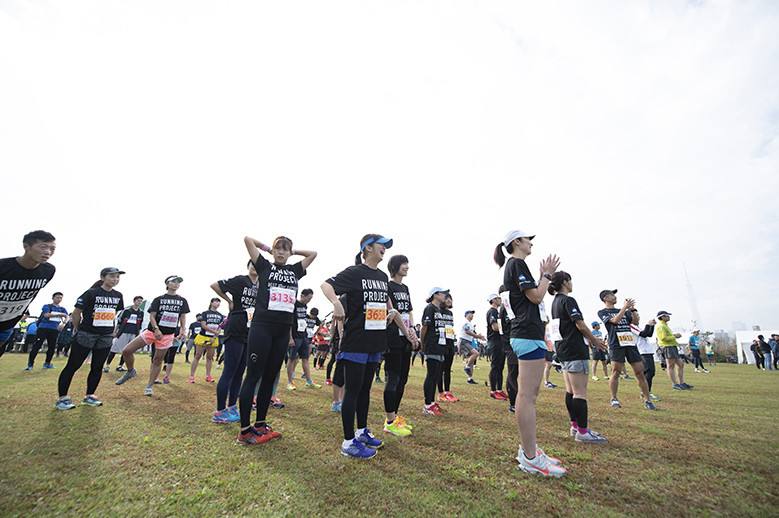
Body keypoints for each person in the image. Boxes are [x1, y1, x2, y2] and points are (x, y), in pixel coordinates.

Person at [495, 229, 567, 477]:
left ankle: (530, 450)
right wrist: (546, 275)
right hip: (526, 334)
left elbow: (532, 295)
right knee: (527, 397)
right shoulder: (516, 264)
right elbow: (536, 297)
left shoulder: (516, 265)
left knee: (528, 395)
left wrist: (541, 276)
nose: (531, 244)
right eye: (528, 240)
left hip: (528, 333)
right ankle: (529, 457)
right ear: (517, 242)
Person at [237, 235, 316, 445]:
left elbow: (313, 254)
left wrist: (293, 251)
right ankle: (245, 431)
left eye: (285, 249)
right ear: (272, 251)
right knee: (253, 376)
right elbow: (247, 240)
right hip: (262, 327)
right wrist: (268, 249)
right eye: (278, 249)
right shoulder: (263, 266)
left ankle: (260, 425)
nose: (281, 252)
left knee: (270, 378)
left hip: (282, 331)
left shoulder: (294, 271)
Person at [321, 234, 391, 458]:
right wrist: (335, 303)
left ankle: (362, 432)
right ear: (367, 248)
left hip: (375, 341)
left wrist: (390, 313)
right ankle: (348, 442)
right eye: (382, 245)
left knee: (365, 389)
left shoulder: (382, 276)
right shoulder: (354, 272)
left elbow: (381, 302)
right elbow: (326, 285)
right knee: (352, 390)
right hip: (355, 341)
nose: (384, 249)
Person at [548, 271, 609, 443]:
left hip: (563, 350)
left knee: (570, 390)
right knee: (580, 393)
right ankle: (583, 432)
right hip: (575, 350)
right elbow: (580, 325)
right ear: (566, 282)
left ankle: (575, 426)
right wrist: (594, 341)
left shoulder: (555, 302)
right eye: (571, 281)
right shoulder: (568, 300)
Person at [55, 268, 125, 409]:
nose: (115, 279)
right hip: (86, 334)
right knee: (73, 366)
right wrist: (79, 328)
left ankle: (89, 396)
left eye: (117, 277)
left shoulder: (118, 295)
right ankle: (62, 398)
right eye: (112, 276)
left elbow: (114, 313)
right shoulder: (90, 293)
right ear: (102, 277)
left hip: (105, 336)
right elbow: (76, 313)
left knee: (97, 367)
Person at [115, 276, 190, 396]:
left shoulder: (182, 301)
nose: (176, 284)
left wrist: (182, 330)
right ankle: (130, 371)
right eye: (173, 282)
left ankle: (149, 386)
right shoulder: (159, 299)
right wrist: (156, 329)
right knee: (127, 350)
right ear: (167, 283)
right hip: (151, 332)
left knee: (157, 360)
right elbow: (152, 316)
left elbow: (182, 317)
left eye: (178, 282)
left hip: (168, 335)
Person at [210, 261, 259, 424]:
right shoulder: (240, 280)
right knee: (229, 371)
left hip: (250, 330)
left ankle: (232, 406)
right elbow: (215, 285)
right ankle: (219, 411)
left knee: (240, 372)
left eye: (257, 264)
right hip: (236, 325)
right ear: (248, 267)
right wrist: (228, 300)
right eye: (251, 264)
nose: (254, 267)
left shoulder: (262, 285)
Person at [0, 231, 57, 365]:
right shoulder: (3, 267)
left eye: (52, 249)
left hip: (7, 323)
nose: (48, 252)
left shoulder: (48, 271)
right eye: (43, 247)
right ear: (26, 246)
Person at [597, 290, 655, 410]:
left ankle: (647, 400)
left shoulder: (621, 310)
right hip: (616, 344)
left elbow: (634, 322)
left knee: (640, 372)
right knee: (616, 372)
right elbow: (615, 321)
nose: (615, 297)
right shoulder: (603, 312)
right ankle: (614, 398)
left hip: (630, 343)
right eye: (612, 295)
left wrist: (632, 310)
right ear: (605, 298)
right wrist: (624, 308)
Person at [383, 254, 419, 436]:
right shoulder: (387, 286)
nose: (407, 267)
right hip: (393, 338)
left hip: (406, 336)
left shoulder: (405, 288)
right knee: (394, 378)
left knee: (403, 380)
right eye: (404, 264)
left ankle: (395, 417)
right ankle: (389, 421)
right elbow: (394, 313)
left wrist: (412, 330)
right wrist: (408, 333)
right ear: (395, 266)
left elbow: (409, 311)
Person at [420, 287, 449, 415]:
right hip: (431, 346)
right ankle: (427, 405)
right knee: (431, 376)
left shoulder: (439, 310)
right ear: (435, 295)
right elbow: (424, 328)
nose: (445, 296)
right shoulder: (430, 308)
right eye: (443, 293)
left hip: (440, 346)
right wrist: (422, 344)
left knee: (437, 375)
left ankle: (432, 403)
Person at [287, 289, 320, 390]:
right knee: (292, 358)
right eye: (308, 298)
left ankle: (309, 381)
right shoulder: (294, 305)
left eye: (310, 299)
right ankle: (290, 382)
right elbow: (289, 322)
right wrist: (290, 338)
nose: (309, 301)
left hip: (304, 336)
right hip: (295, 336)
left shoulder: (304, 307)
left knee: (305, 358)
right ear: (303, 295)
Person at [28, 291, 69, 370]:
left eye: (60, 298)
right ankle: (30, 363)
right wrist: (60, 314)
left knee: (52, 347)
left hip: (54, 329)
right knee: (37, 345)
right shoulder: (47, 306)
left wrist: (63, 323)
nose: (59, 299)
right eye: (57, 297)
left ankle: (47, 363)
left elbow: (67, 316)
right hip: (44, 328)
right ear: (53, 298)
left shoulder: (62, 308)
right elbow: (46, 315)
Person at [188, 298, 224, 383]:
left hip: (213, 338)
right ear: (211, 303)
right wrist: (214, 332)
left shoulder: (220, 315)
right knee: (198, 355)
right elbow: (203, 325)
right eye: (216, 301)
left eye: (219, 302)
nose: (217, 303)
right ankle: (192, 376)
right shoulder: (205, 313)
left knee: (209, 357)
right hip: (203, 336)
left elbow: (219, 327)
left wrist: (214, 337)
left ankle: (208, 375)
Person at [104, 296, 144, 372]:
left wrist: (138, 335)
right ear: (134, 301)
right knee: (114, 349)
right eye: (138, 301)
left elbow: (139, 325)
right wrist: (115, 331)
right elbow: (119, 321)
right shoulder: (127, 311)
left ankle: (120, 365)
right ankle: (107, 365)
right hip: (123, 332)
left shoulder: (140, 312)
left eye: (141, 301)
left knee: (127, 350)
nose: (139, 302)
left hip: (133, 333)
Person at [656, 310, 693, 389]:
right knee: (671, 365)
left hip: (672, 346)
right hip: (667, 346)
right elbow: (663, 338)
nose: (668, 317)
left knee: (680, 364)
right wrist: (674, 336)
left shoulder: (665, 325)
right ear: (662, 317)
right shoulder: (661, 326)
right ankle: (675, 384)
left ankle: (681, 383)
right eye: (666, 316)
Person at [631, 309, 660, 402]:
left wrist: (651, 326)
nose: (638, 317)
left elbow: (648, 334)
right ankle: (646, 392)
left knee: (649, 372)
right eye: (636, 315)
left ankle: (646, 391)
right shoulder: (631, 326)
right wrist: (647, 324)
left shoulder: (637, 326)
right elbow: (643, 334)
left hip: (647, 351)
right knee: (649, 371)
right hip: (642, 351)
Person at [499, 286, 519, 413]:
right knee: (512, 373)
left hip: (514, 343)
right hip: (511, 345)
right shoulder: (505, 306)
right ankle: (513, 404)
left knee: (516, 373)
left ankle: (518, 403)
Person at [486, 293, 508, 400]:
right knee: (495, 365)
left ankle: (499, 389)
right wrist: (506, 328)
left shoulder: (497, 312)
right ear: (494, 300)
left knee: (500, 366)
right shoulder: (492, 312)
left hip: (500, 341)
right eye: (499, 298)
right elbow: (494, 327)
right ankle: (493, 391)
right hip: (495, 341)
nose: (500, 300)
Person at [437, 293, 458, 402]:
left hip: (450, 343)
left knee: (448, 369)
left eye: (450, 298)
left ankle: (447, 392)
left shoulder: (450, 313)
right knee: (440, 369)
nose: (449, 300)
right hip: (441, 343)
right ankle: (440, 393)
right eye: (447, 298)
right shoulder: (438, 312)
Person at [459, 310, 485, 385]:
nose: (472, 315)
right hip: (464, 341)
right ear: (466, 314)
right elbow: (466, 331)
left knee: (472, 360)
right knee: (476, 353)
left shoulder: (470, 324)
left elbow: (472, 334)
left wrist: (479, 337)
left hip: (469, 342)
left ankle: (470, 378)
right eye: (471, 314)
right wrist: (477, 336)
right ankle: (466, 367)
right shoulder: (465, 321)